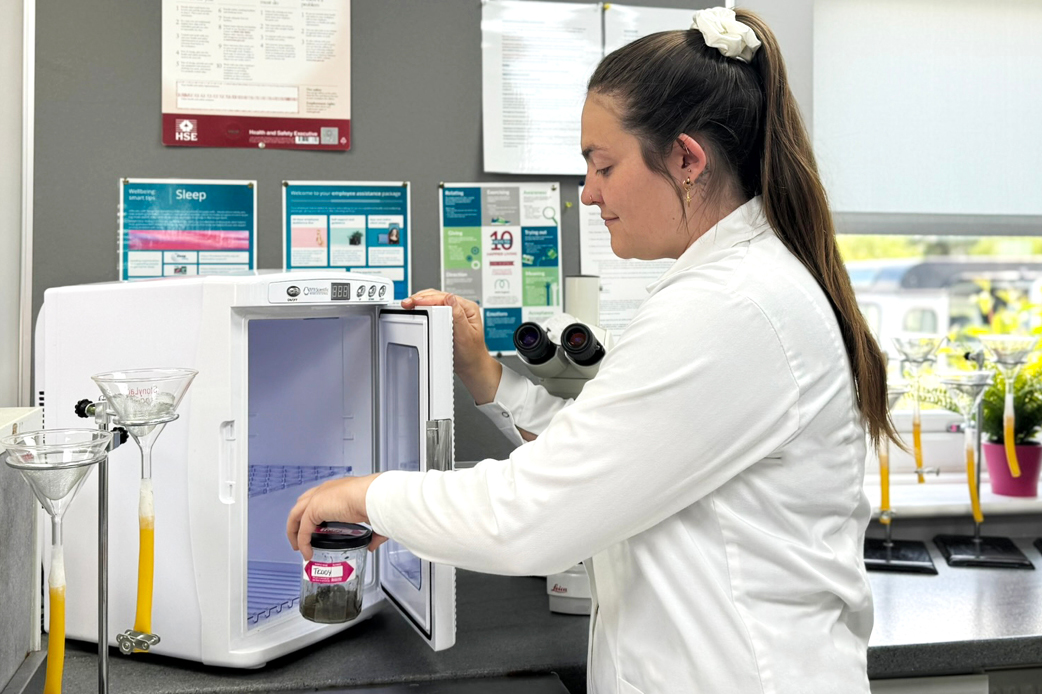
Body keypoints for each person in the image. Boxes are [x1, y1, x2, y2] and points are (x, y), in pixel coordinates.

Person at [287, 8, 896, 693]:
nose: (589, 193)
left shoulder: (729, 306)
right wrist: (483, 373)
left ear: (687, 159)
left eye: (603, 165)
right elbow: (613, 453)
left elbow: (531, 517)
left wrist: (368, 496)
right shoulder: (737, 285)